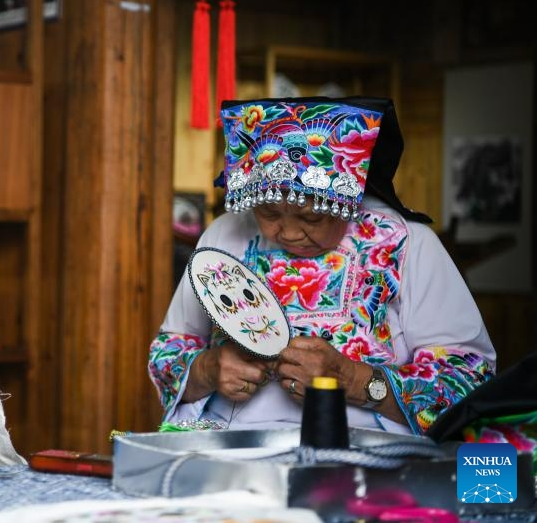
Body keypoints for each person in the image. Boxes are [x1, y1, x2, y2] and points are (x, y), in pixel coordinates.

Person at [149, 97, 496, 436]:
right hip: (232, 444)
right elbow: (167, 352)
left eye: (311, 217)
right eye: (268, 212)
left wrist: (352, 379)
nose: (288, 232)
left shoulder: (405, 243)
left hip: (363, 451)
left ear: (348, 199)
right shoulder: (225, 235)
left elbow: (468, 378)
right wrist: (207, 369)